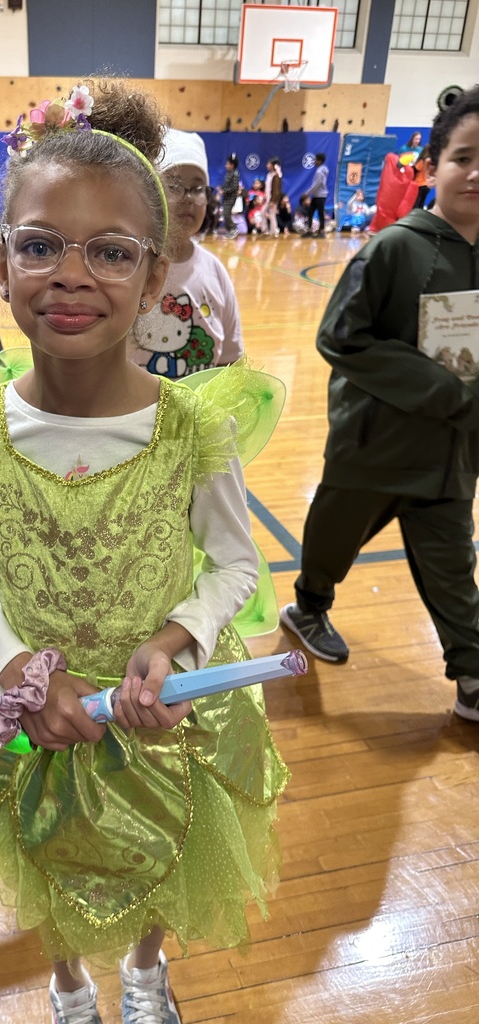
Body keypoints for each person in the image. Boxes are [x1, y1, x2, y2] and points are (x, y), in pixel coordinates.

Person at [0, 79, 289, 1024]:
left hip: (165, 708)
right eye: (40, 246)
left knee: (168, 846)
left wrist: (177, 639)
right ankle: (70, 977)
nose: (71, 276)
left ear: (156, 278)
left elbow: (238, 566)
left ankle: (147, 969)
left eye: (111, 253)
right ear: (1, 262)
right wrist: (17, 667)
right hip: (40, 704)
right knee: (50, 846)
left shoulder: (190, 428)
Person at [279, 85, 479, 723]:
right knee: (332, 546)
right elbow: (340, 335)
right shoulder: (396, 247)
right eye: (463, 157)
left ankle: (473, 676)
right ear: (432, 167)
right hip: (374, 447)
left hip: (450, 457)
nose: (476, 174)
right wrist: (442, 389)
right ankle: (307, 609)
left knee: (453, 567)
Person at [132, 127, 243, 379]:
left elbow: (230, 360)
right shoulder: (132, 266)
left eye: (197, 188)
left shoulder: (214, 270)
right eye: (173, 185)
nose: (188, 198)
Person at [302, 152, 328, 238]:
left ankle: (322, 231)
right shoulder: (322, 170)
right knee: (310, 212)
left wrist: (307, 193)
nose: (314, 161)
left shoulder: (320, 171)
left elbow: (316, 185)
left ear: (319, 161)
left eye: (316, 160)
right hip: (317, 196)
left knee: (320, 213)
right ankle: (310, 230)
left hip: (320, 196)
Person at [220, 154, 241, 238]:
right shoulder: (228, 174)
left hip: (231, 199)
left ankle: (234, 228)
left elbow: (234, 187)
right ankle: (230, 231)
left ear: (232, 165)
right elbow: (226, 185)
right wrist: (221, 188)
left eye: (227, 164)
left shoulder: (235, 174)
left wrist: (224, 191)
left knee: (227, 214)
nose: (226, 165)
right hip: (225, 198)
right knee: (225, 214)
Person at [263, 157, 283, 238]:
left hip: (273, 199)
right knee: (263, 212)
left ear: (273, 165)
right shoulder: (269, 175)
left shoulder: (276, 176)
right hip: (268, 198)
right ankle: (265, 230)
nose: (267, 165)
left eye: (269, 164)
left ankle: (274, 232)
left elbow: (276, 190)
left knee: (272, 215)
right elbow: (268, 187)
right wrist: (265, 196)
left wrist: (273, 201)